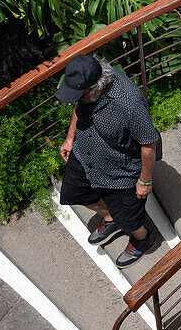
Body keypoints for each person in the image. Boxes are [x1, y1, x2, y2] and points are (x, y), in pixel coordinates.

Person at [56, 53, 161, 267]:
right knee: (74, 193)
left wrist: (145, 181)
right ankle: (110, 217)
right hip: (85, 156)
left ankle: (143, 239)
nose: (77, 97)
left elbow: (149, 142)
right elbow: (79, 106)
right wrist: (70, 138)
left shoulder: (128, 102)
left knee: (130, 218)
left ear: (96, 87)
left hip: (119, 172)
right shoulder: (87, 92)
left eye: (80, 93)